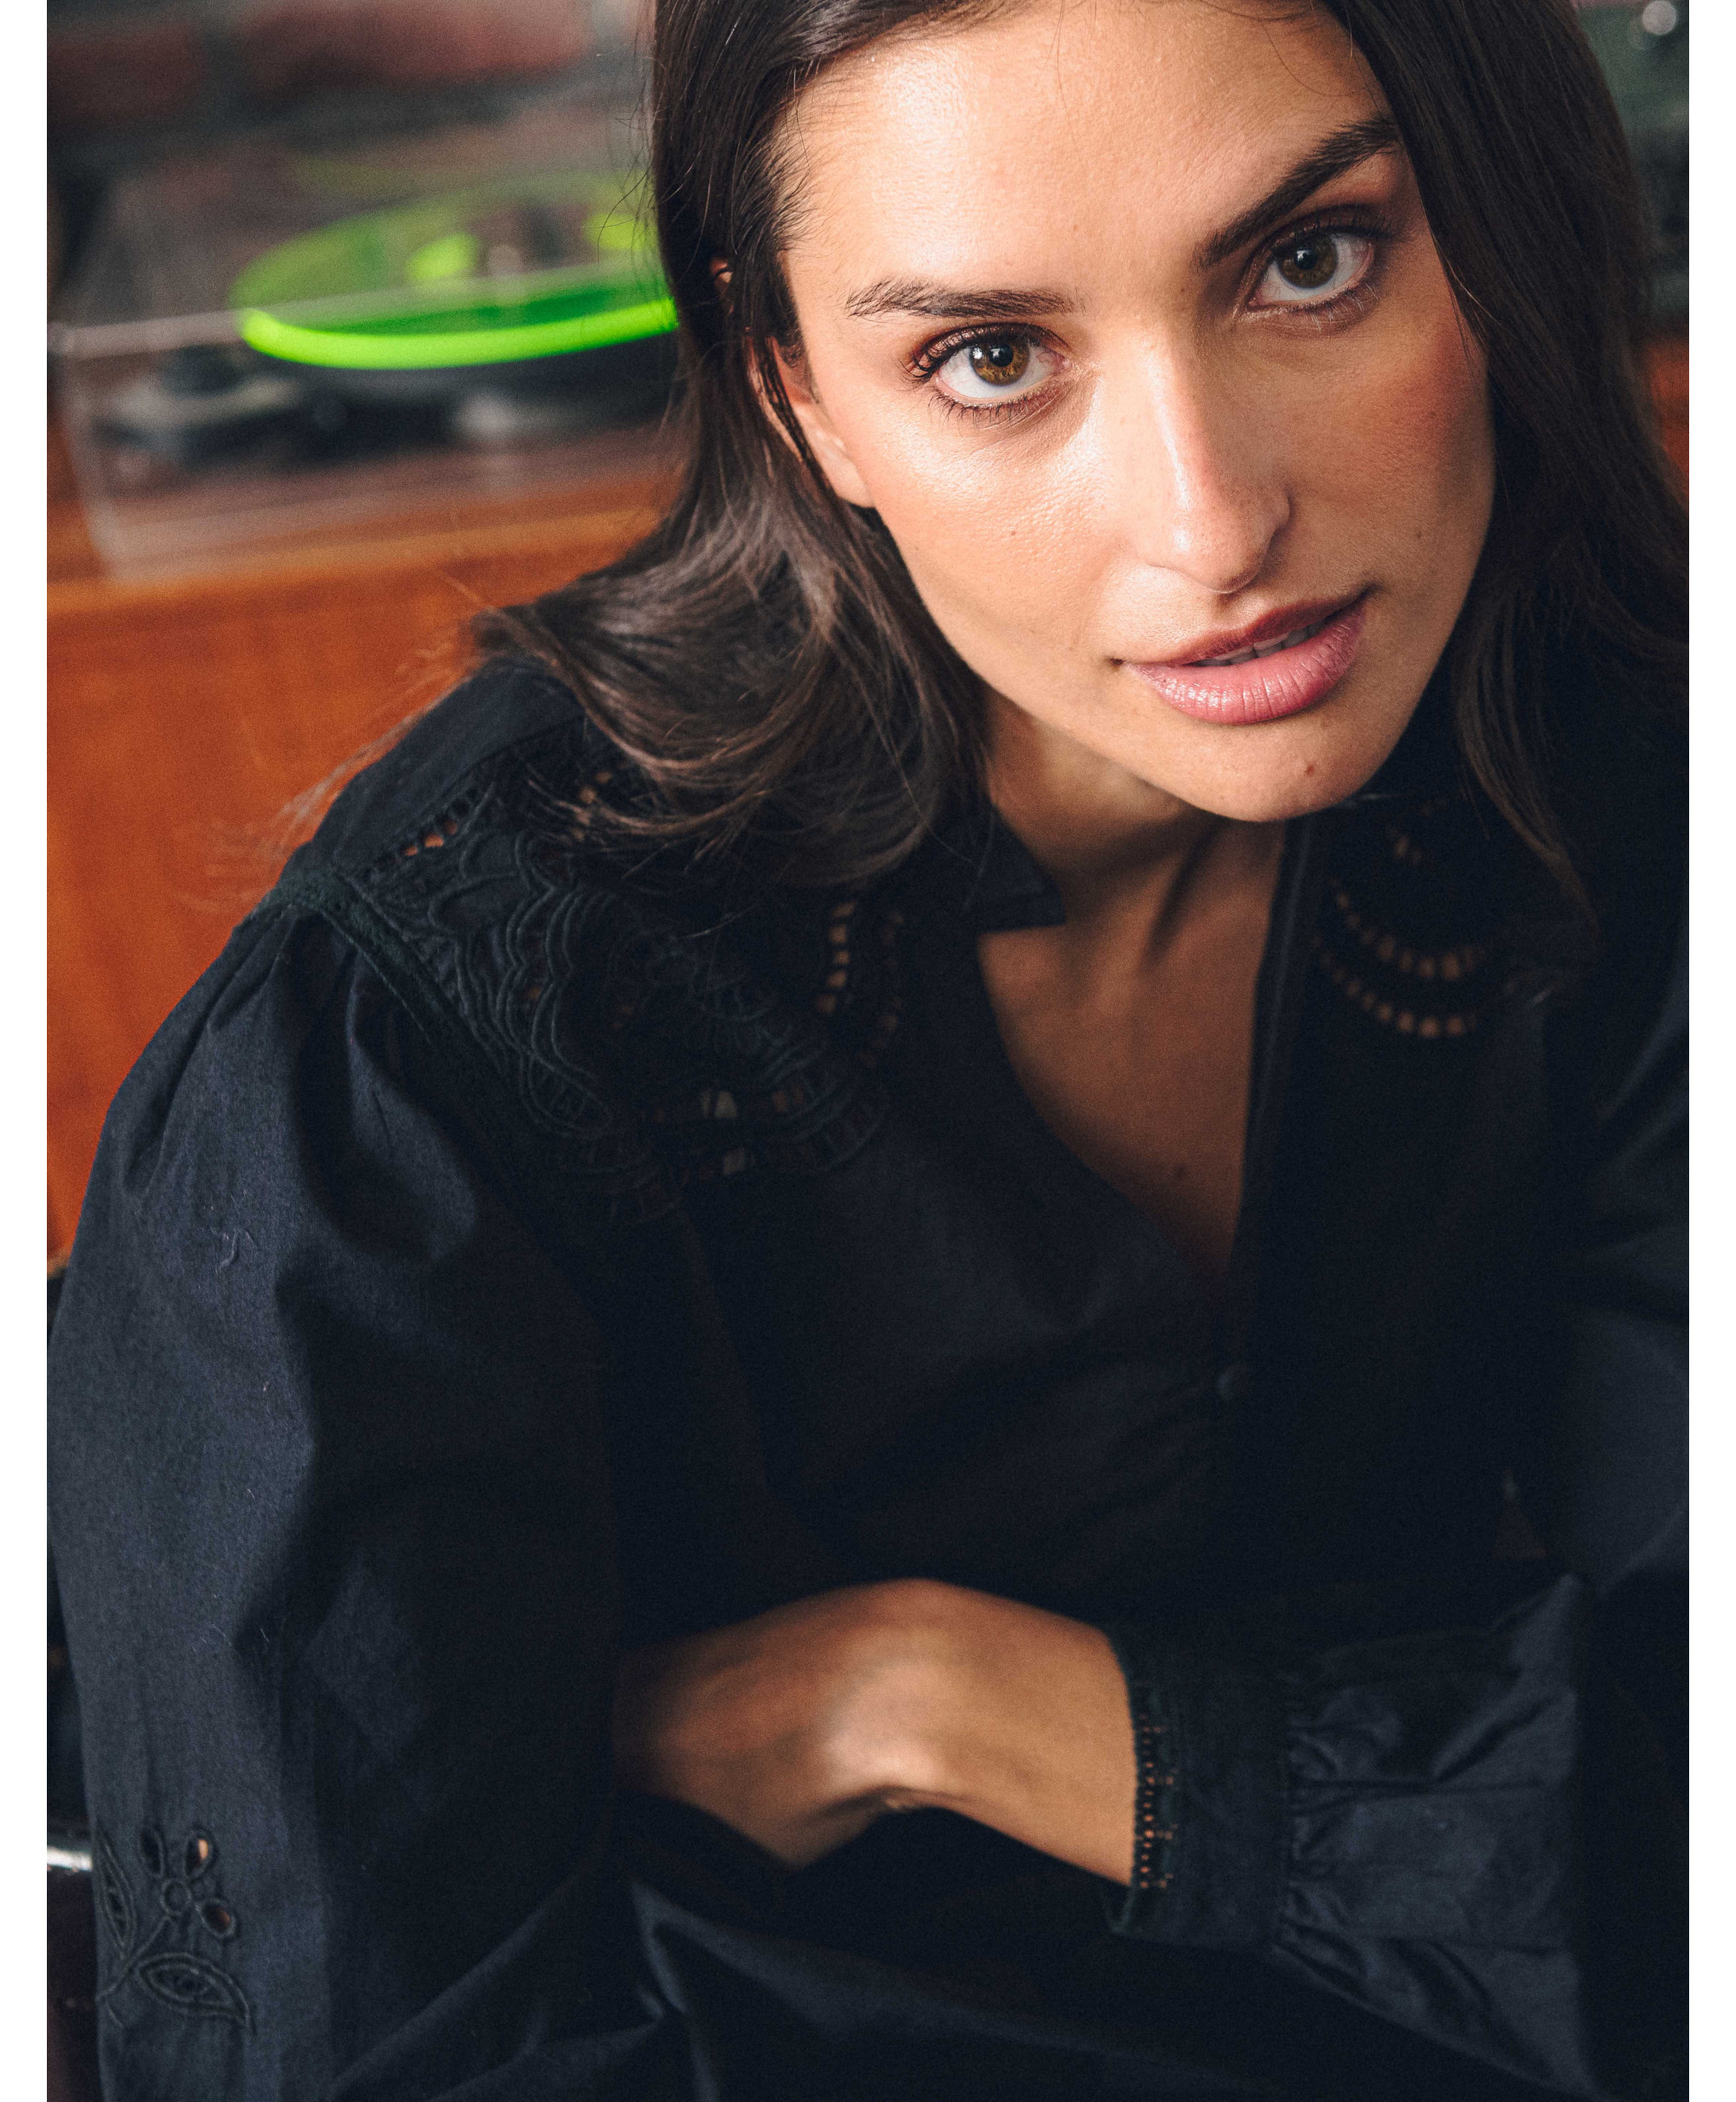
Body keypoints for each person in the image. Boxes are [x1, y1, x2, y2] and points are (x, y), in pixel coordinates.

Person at [48, 0, 1686, 2096]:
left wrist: (931, 1699)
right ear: (796, 392)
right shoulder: (426, 1035)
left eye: (1309, 260)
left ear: (1500, 215)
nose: (1207, 524)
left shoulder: (1620, 782)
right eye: (990, 357)